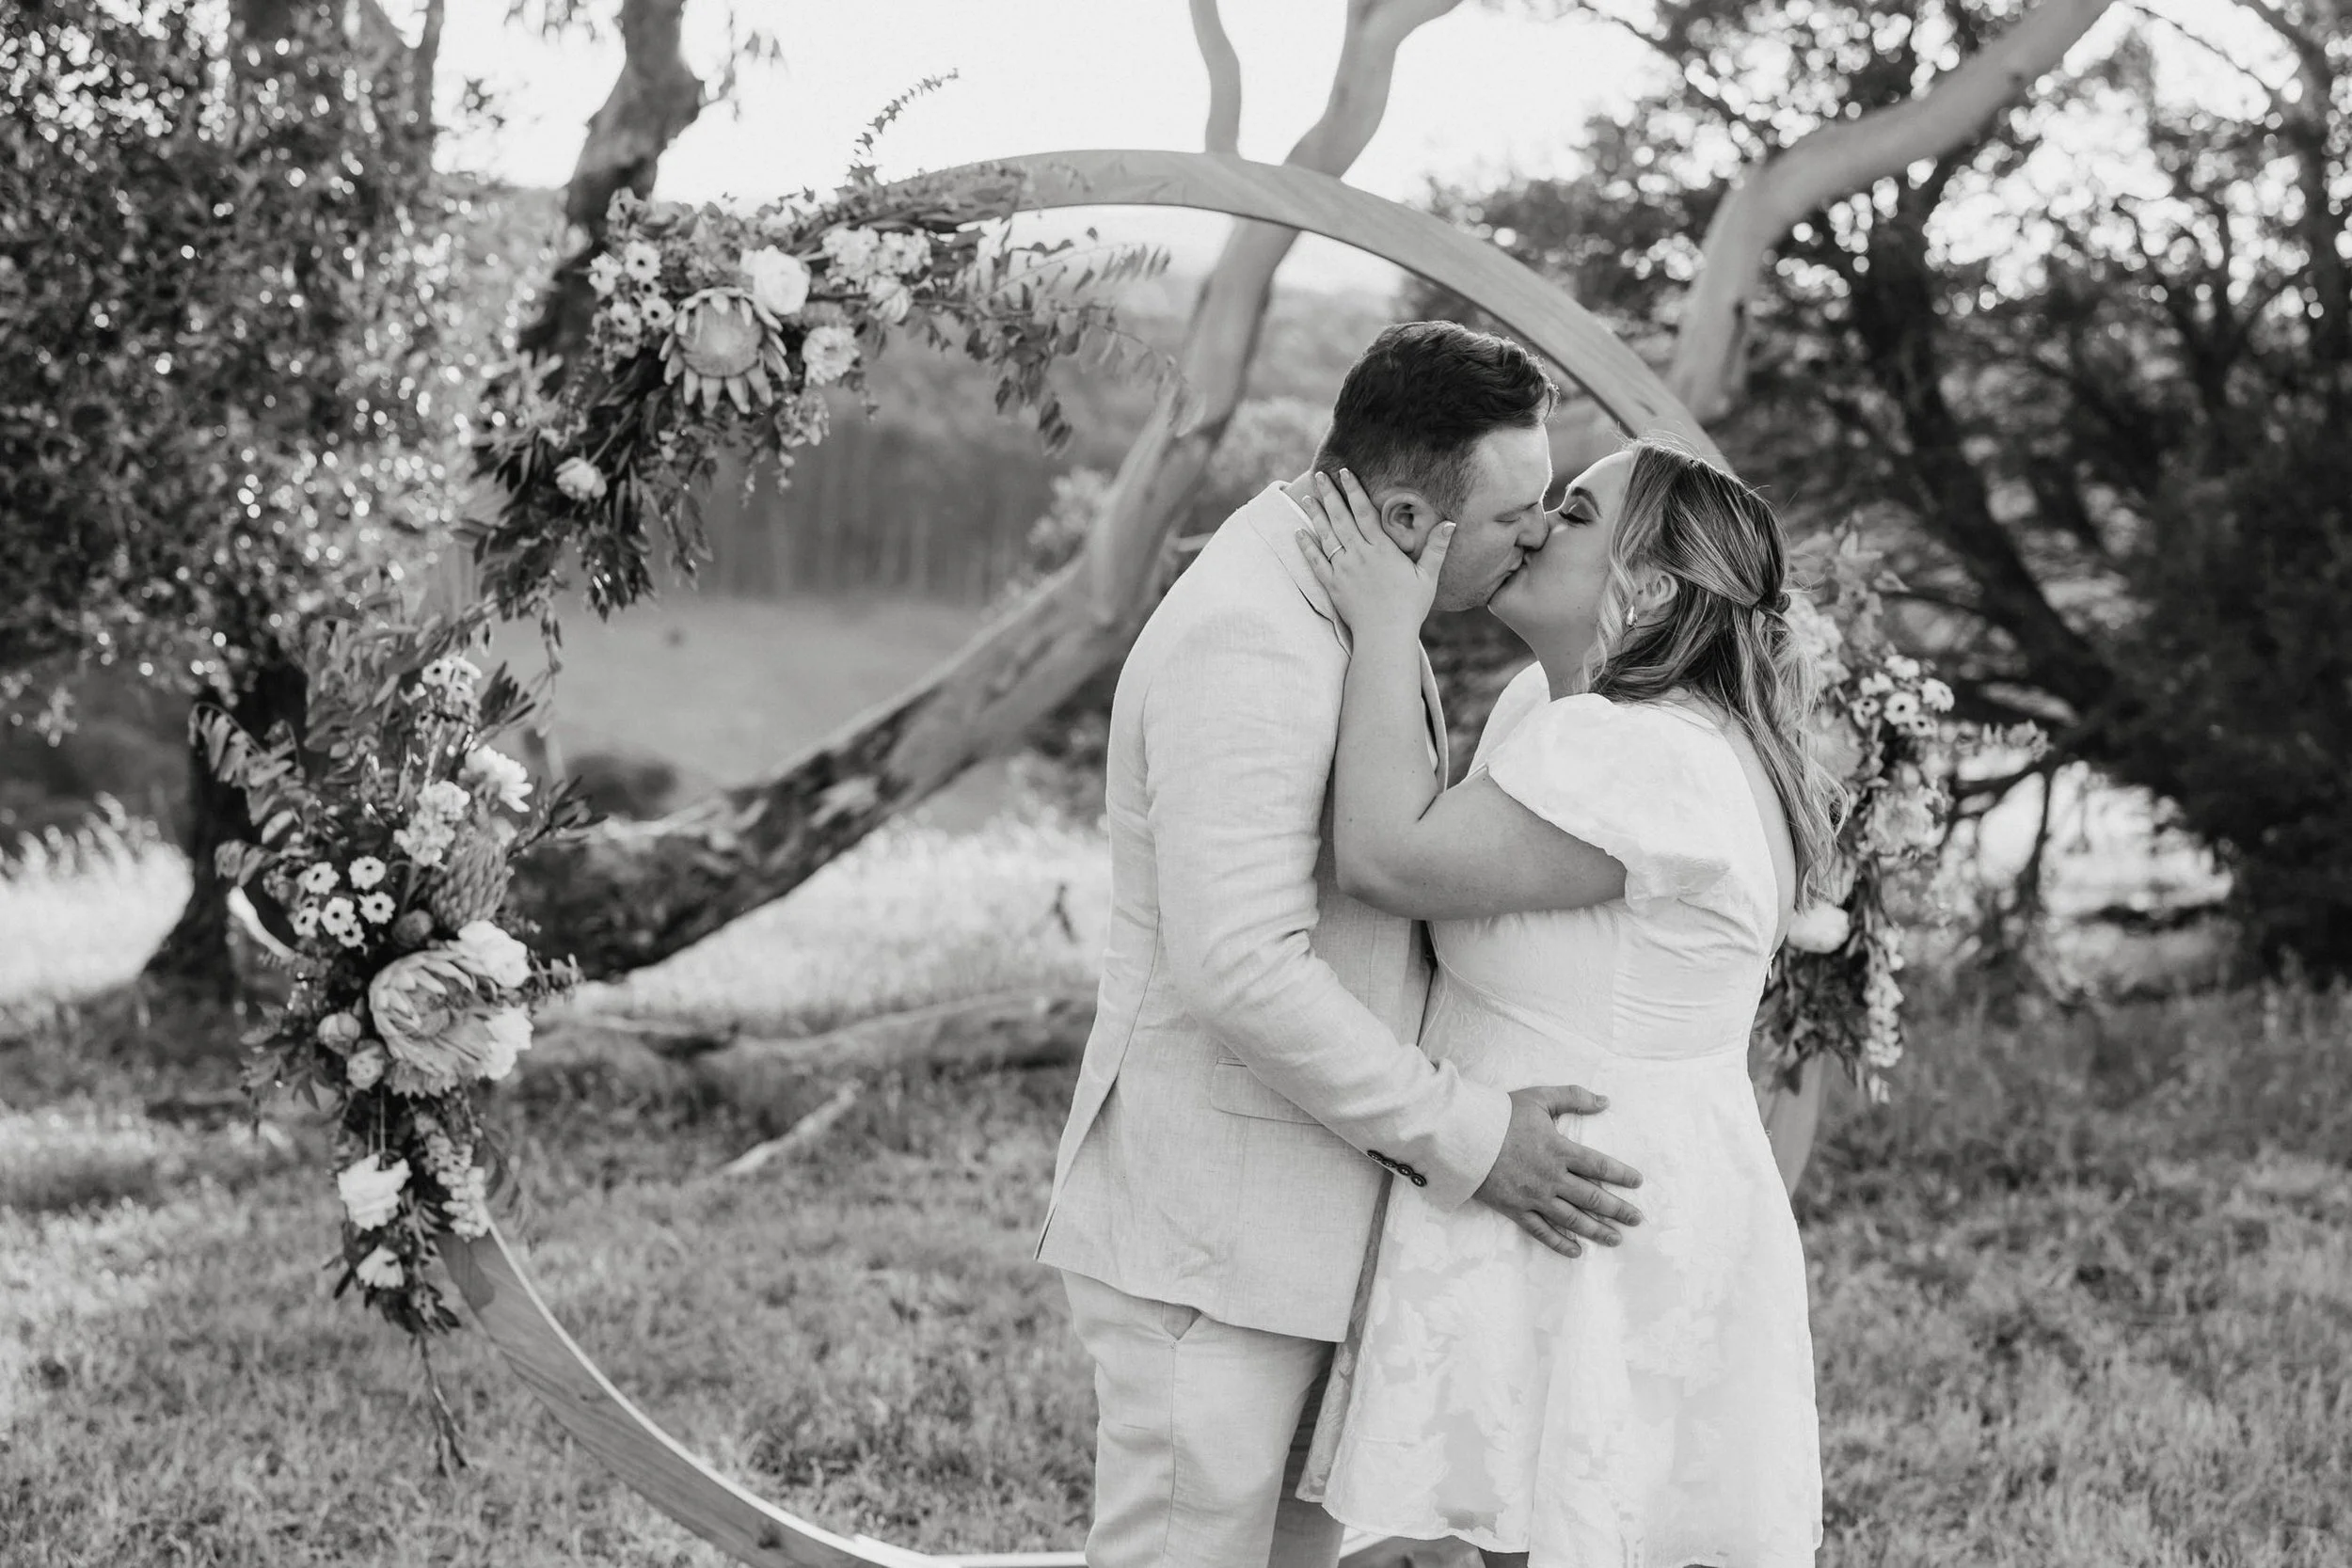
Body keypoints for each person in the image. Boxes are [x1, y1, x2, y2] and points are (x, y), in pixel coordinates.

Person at [1035, 322, 1647, 1568]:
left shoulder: (1358, 602)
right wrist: (1471, 1134)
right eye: (1517, 513)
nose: (1536, 535)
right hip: (1213, 1238)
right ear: (1413, 512)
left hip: (1301, 1216)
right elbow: (1240, 967)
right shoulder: (1251, 638)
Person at [1290, 444, 1837, 1566]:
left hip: (1580, 1205)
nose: (1533, 527)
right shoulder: (1562, 707)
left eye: (1575, 513)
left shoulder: (1642, 752)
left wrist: (1384, 620)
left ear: (1655, 579)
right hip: (1551, 1182)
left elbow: (1387, 859)